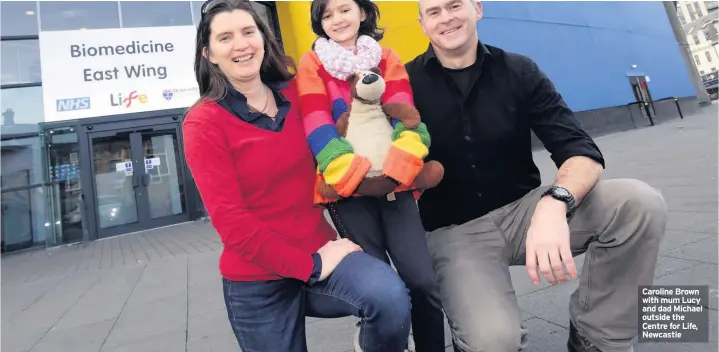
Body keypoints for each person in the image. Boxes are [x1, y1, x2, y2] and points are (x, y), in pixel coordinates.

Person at [407, 0, 668, 351]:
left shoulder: (518, 70)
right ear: (422, 24)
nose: (446, 18)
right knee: (493, 341)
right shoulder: (405, 84)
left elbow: (581, 151)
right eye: (434, 12)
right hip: (455, 231)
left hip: (525, 211)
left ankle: (596, 337)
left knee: (639, 203)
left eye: (455, 6)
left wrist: (555, 202)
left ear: (477, 9)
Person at [182, 1, 413, 351]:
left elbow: (352, 109)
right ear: (209, 54)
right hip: (258, 279)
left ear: (263, 39)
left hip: (319, 249)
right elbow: (232, 224)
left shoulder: (294, 92)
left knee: (391, 299)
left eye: (249, 32)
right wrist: (310, 265)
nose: (241, 44)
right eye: (225, 37)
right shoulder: (203, 122)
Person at [295, 0, 447, 351]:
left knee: (423, 282)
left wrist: (403, 161)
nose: (337, 20)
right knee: (381, 288)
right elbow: (315, 120)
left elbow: (402, 107)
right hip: (350, 195)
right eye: (327, 15)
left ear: (363, 12)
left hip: (397, 187)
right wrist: (346, 171)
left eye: (344, 9)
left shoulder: (386, 57)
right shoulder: (313, 62)